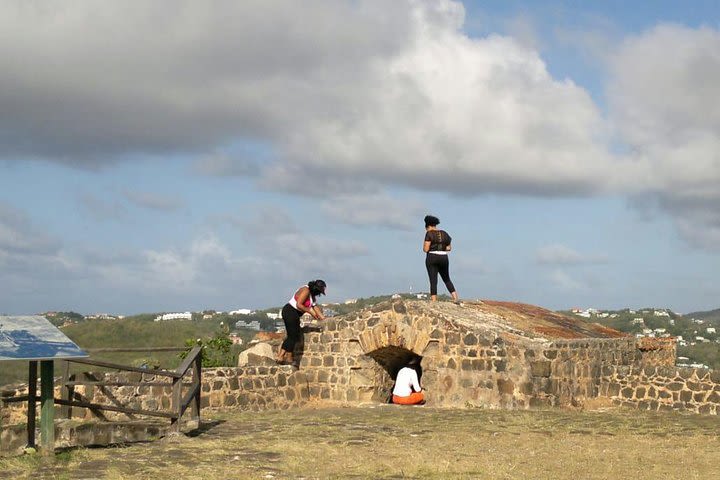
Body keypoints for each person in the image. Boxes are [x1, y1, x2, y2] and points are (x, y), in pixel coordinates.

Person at [277, 279, 327, 365]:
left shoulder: (312, 296)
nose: (319, 295)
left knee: (295, 335)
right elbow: (298, 304)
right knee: (292, 335)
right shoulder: (306, 290)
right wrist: (310, 311)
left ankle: (289, 358)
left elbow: (315, 307)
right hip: (290, 311)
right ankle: (280, 356)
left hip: (295, 314)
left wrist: (323, 319)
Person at [423, 215, 458, 302]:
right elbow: (449, 248)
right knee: (446, 278)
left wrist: (433, 247)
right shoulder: (445, 233)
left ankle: (434, 301)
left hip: (432, 257)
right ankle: (455, 297)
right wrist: (441, 248)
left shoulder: (429, 233)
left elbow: (426, 249)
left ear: (428, 226)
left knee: (433, 280)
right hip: (444, 257)